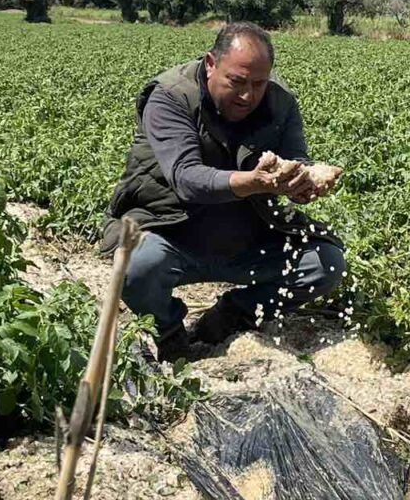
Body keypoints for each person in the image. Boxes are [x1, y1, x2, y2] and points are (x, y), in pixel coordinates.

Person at [100, 21, 345, 359]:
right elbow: (186, 179)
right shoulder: (170, 97)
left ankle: (231, 315)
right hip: (172, 234)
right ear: (211, 64)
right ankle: (168, 330)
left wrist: (298, 184)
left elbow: (296, 158)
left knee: (325, 264)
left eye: (259, 84)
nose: (248, 95)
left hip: (248, 239)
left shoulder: (279, 102)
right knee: (132, 267)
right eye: (237, 82)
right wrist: (254, 182)